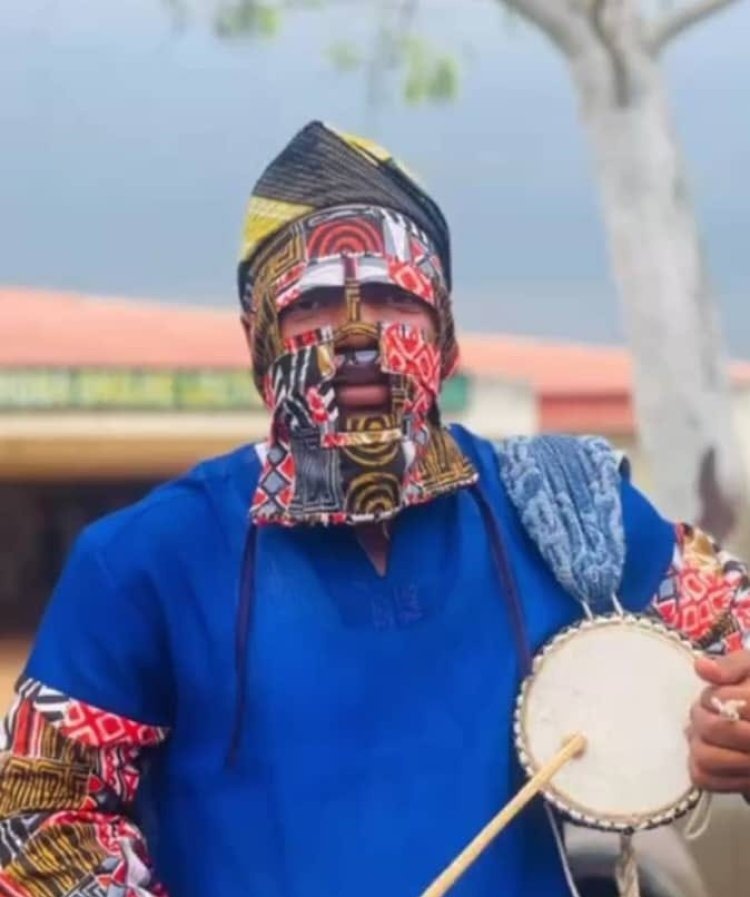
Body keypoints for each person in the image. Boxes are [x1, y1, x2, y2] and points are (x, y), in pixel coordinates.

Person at [1, 121, 750, 897]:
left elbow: (738, 648)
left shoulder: (566, 512)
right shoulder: (144, 562)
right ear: (259, 343)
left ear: (448, 335)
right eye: (313, 306)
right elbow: (37, 822)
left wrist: (734, 726)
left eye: (395, 299)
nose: (357, 338)